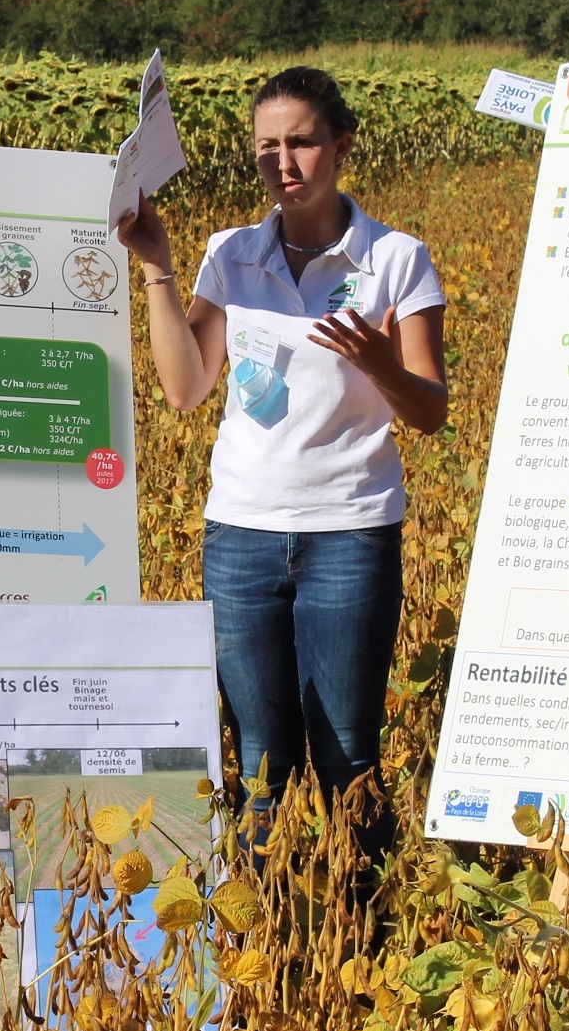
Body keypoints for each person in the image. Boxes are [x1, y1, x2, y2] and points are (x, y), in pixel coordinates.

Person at [117, 66, 448, 861]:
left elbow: (431, 411)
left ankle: (362, 934)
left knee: (347, 757)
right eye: (267, 147)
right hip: (241, 534)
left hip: (351, 533)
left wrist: (380, 363)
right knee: (260, 759)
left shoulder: (397, 260)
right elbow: (187, 388)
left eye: (300, 142)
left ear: (340, 145)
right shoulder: (229, 254)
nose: (283, 162)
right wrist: (158, 266)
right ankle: (269, 926)